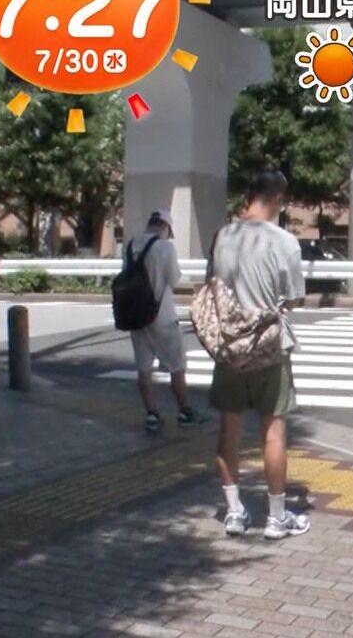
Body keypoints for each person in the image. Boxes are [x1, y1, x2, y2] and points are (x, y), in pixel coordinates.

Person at [208, 171, 309, 540]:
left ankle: (234, 512)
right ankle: (277, 517)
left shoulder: (223, 236)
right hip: (267, 345)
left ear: (250, 196)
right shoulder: (284, 241)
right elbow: (294, 298)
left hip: (230, 346)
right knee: (273, 431)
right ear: (278, 199)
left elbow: (213, 285)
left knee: (229, 429)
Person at [126, 210, 210, 433]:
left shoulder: (131, 245)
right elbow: (174, 280)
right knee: (176, 366)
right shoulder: (165, 247)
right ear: (165, 227)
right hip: (162, 317)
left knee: (144, 368)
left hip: (136, 316)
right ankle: (184, 411)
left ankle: (152, 414)